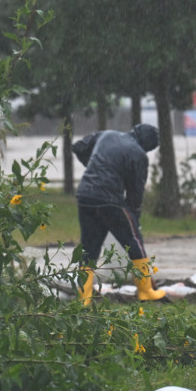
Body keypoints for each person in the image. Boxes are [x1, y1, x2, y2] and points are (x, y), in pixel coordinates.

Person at [72, 123, 166, 304]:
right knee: (134, 242)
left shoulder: (107, 135)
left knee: (89, 248)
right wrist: (134, 218)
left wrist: (95, 167)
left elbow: (79, 147)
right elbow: (135, 192)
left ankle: (84, 297)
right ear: (147, 145)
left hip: (85, 196)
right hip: (110, 200)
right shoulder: (138, 155)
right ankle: (146, 291)